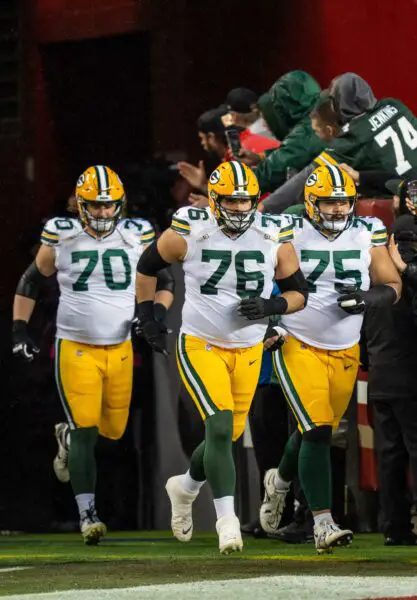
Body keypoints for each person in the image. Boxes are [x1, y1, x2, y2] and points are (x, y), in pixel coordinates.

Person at [136, 160, 308, 554]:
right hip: (201, 343)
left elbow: (299, 293)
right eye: (230, 200)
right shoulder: (190, 230)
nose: (239, 208)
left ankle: (185, 486)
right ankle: (225, 521)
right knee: (218, 428)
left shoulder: (272, 233)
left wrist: (272, 305)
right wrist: (147, 315)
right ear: (214, 200)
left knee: (225, 436)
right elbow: (147, 266)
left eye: (246, 200)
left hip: (248, 348)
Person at [12, 165, 174, 545]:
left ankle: (67, 436)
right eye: (94, 207)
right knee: (86, 431)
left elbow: (164, 281)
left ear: (120, 205)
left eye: (108, 206)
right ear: (79, 205)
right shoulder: (62, 236)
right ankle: (88, 514)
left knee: (112, 432)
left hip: (118, 348)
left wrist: (153, 315)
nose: (102, 214)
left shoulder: (137, 236)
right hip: (76, 347)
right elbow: (30, 280)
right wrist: (20, 328)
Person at [260, 164, 402, 553]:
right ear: (310, 201)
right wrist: (271, 322)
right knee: (319, 430)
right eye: (329, 202)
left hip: (345, 346)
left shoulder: (367, 230)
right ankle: (323, 522)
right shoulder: (289, 230)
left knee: (314, 431)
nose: (338, 210)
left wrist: (366, 299)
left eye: (343, 202)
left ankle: (280, 480)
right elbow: (262, 276)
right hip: (297, 338)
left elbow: (392, 285)